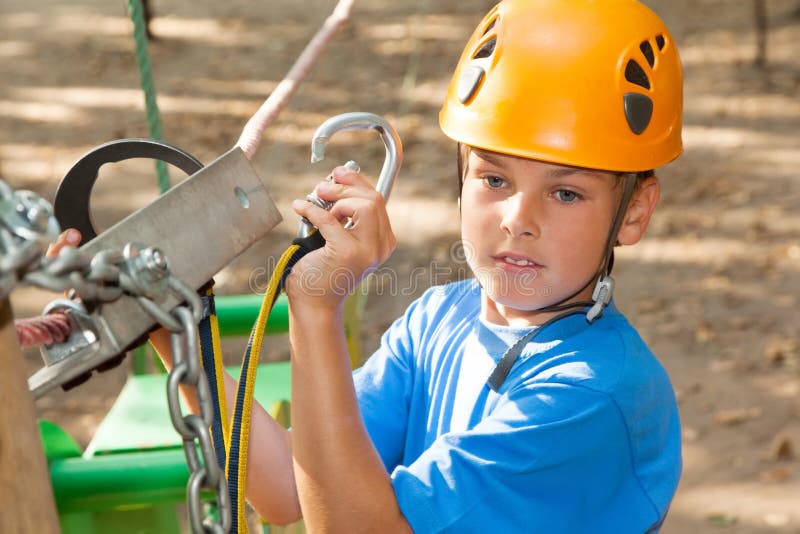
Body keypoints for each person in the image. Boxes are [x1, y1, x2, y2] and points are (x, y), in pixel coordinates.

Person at [53, 0, 683, 531]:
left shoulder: (593, 398)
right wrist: (167, 318)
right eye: (493, 177)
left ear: (633, 211)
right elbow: (287, 488)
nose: (519, 218)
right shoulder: (442, 315)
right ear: (460, 178)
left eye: (566, 192)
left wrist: (316, 312)